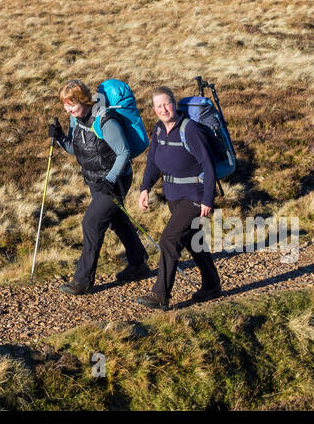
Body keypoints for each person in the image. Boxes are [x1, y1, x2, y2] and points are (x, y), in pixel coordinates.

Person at [48, 79, 153, 295]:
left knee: (92, 222)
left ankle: (83, 280)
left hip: (115, 181)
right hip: (95, 180)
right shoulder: (76, 120)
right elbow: (79, 150)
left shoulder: (105, 119)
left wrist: (111, 179)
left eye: (72, 105)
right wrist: (60, 138)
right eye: (65, 105)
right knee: (117, 221)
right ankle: (138, 263)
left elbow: (123, 153)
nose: (68, 109)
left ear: (84, 100)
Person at [135, 86, 223, 310]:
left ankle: (161, 295)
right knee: (194, 240)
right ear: (153, 109)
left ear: (174, 103)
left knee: (169, 239)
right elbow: (153, 162)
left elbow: (207, 164)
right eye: (158, 106)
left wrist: (207, 199)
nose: (163, 109)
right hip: (173, 196)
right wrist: (145, 187)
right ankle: (212, 285)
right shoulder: (158, 130)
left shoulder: (189, 129)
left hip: (194, 195)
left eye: (166, 103)